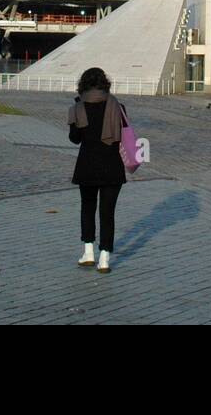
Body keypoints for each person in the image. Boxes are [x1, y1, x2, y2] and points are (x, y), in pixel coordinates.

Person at [68, 67, 127, 274]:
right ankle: (104, 258)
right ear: (105, 83)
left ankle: (88, 252)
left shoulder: (78, 107)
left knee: (87, 208)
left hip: (87, 166)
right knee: (107, 213)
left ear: (83, 85)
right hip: (112, 166)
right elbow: (123, 137)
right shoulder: (117, 106)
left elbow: (75, 139)